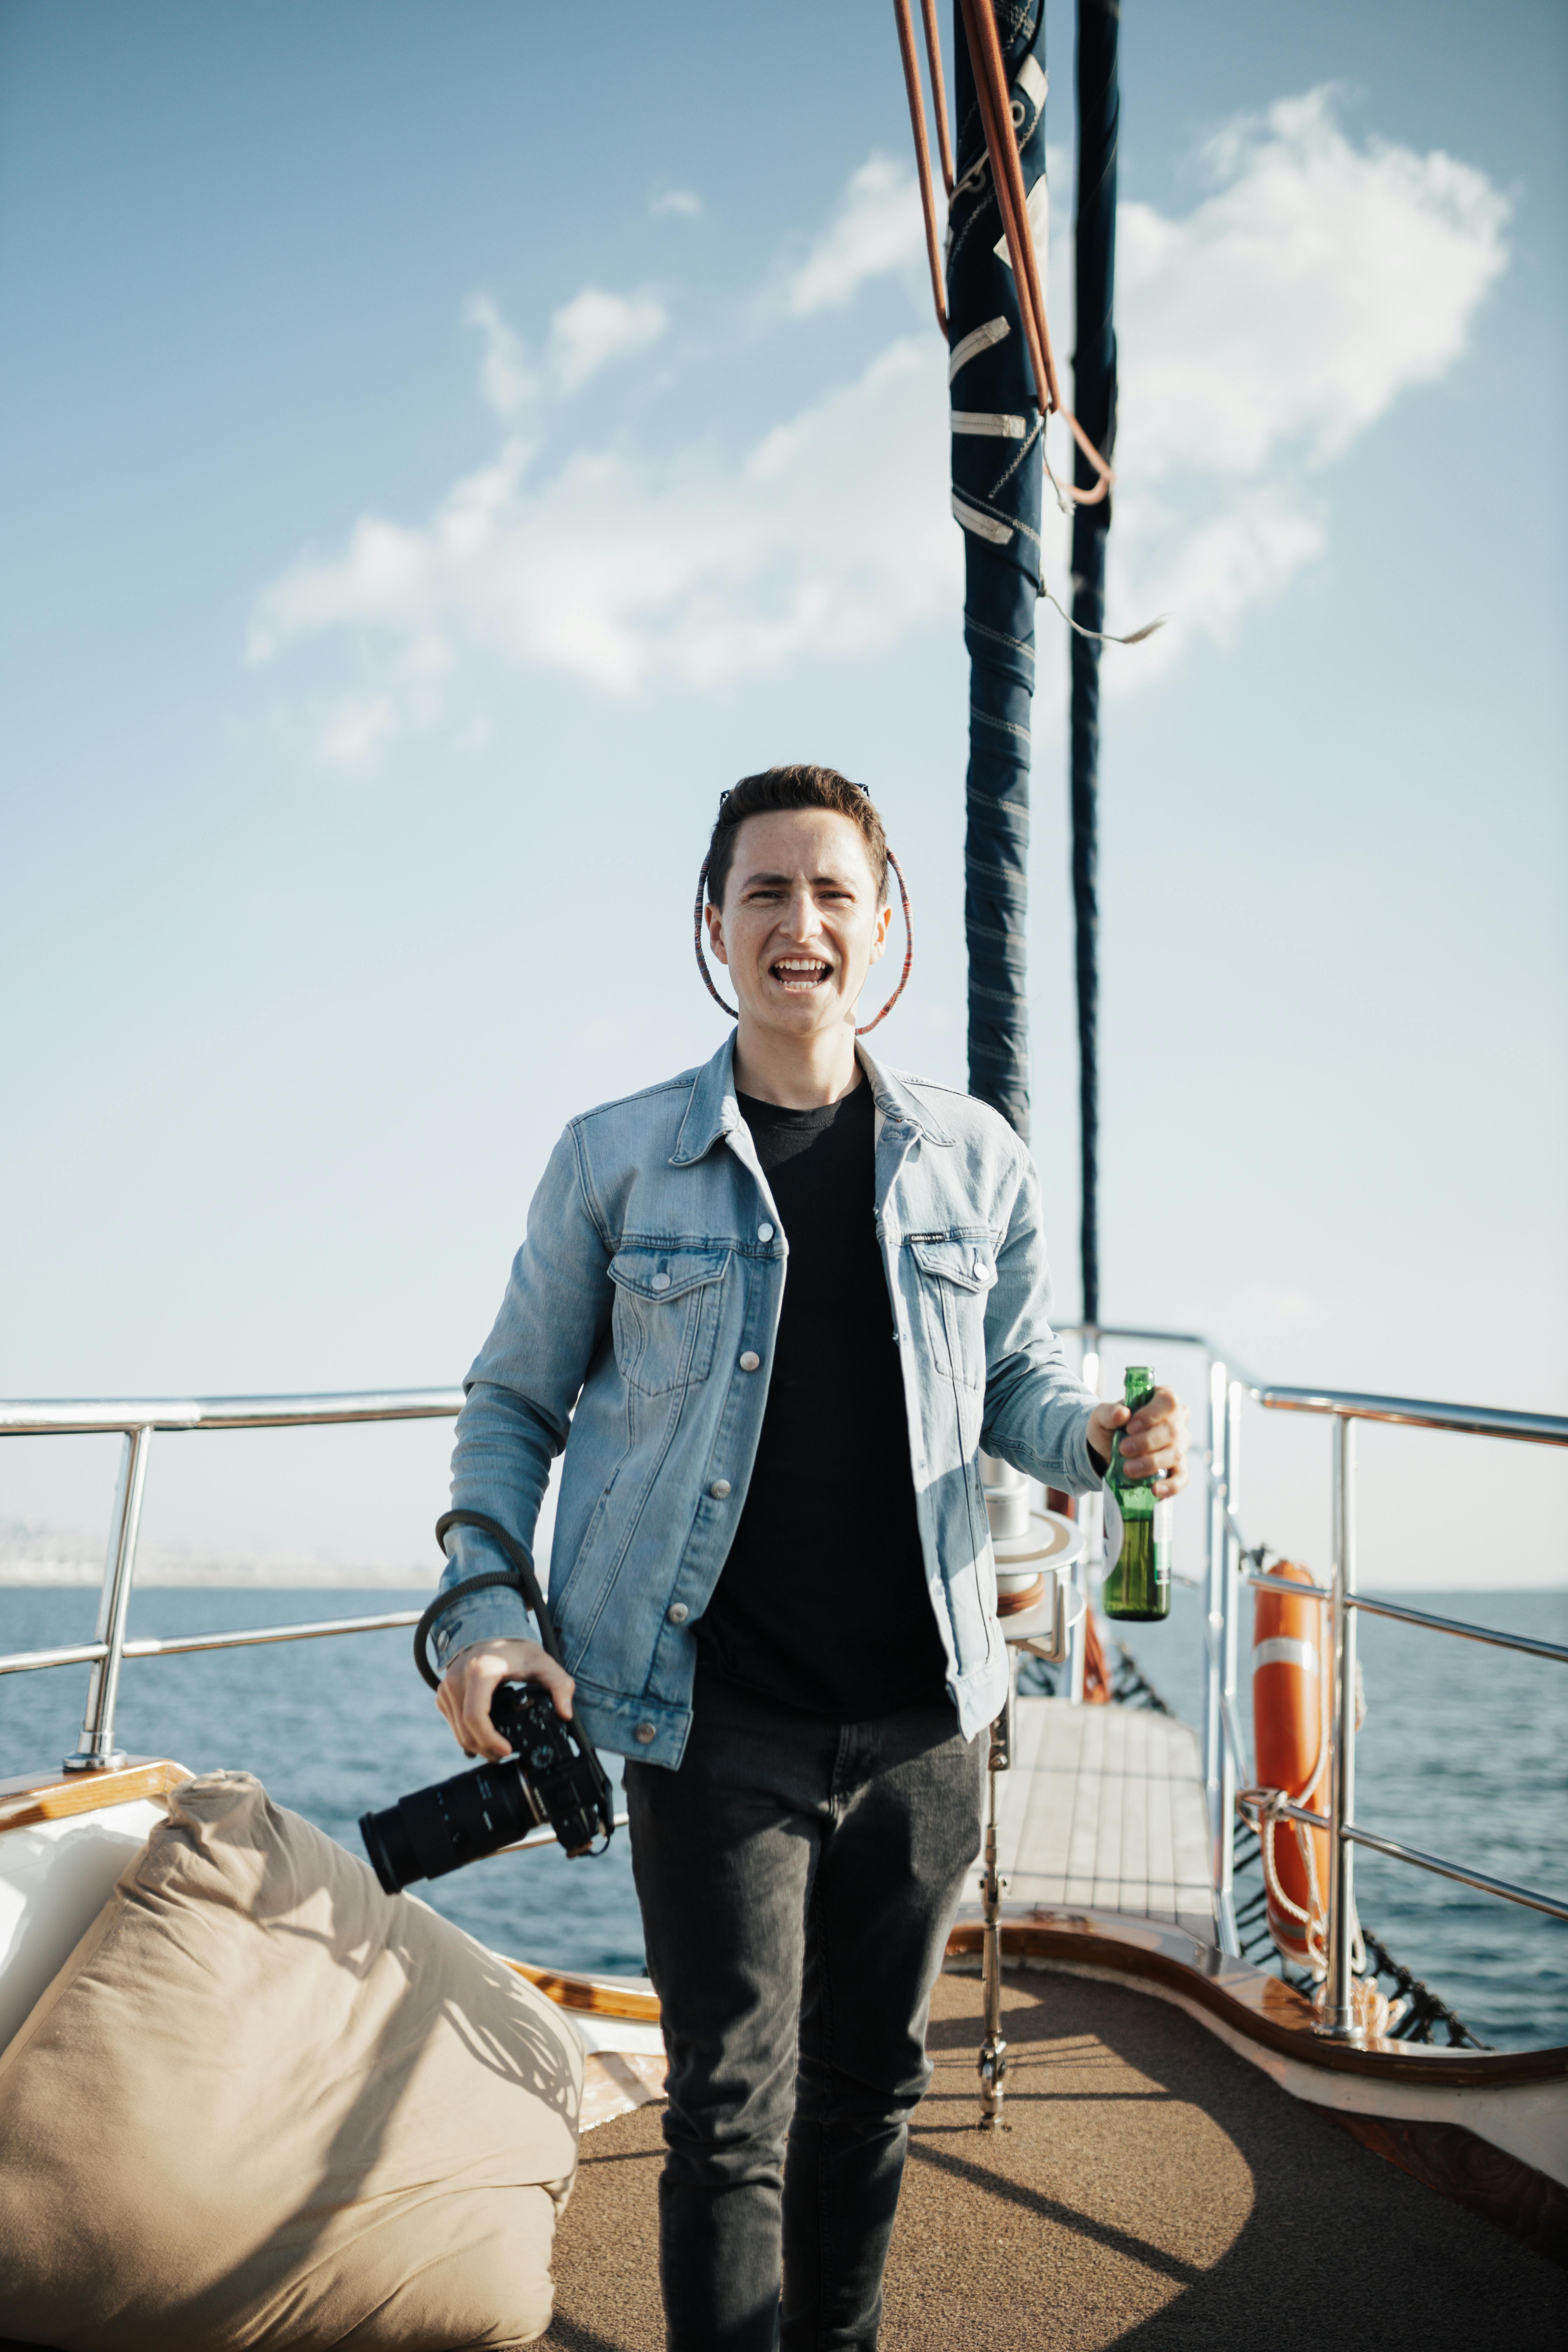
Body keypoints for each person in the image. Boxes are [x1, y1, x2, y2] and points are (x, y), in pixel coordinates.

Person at [430, 763, 1190, 2352]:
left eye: (833, 890)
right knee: (728, 2106)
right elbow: (509, 1404)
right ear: (713, 924)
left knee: (874, 2089)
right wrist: (486, 1620)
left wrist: (1101, 1447)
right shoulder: (614, 1158)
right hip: (709, 1712)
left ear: (884, 923)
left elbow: (1024, 1388)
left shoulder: (975, 1160)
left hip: (925, 1717)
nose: (800, 922)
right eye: (765, 891)